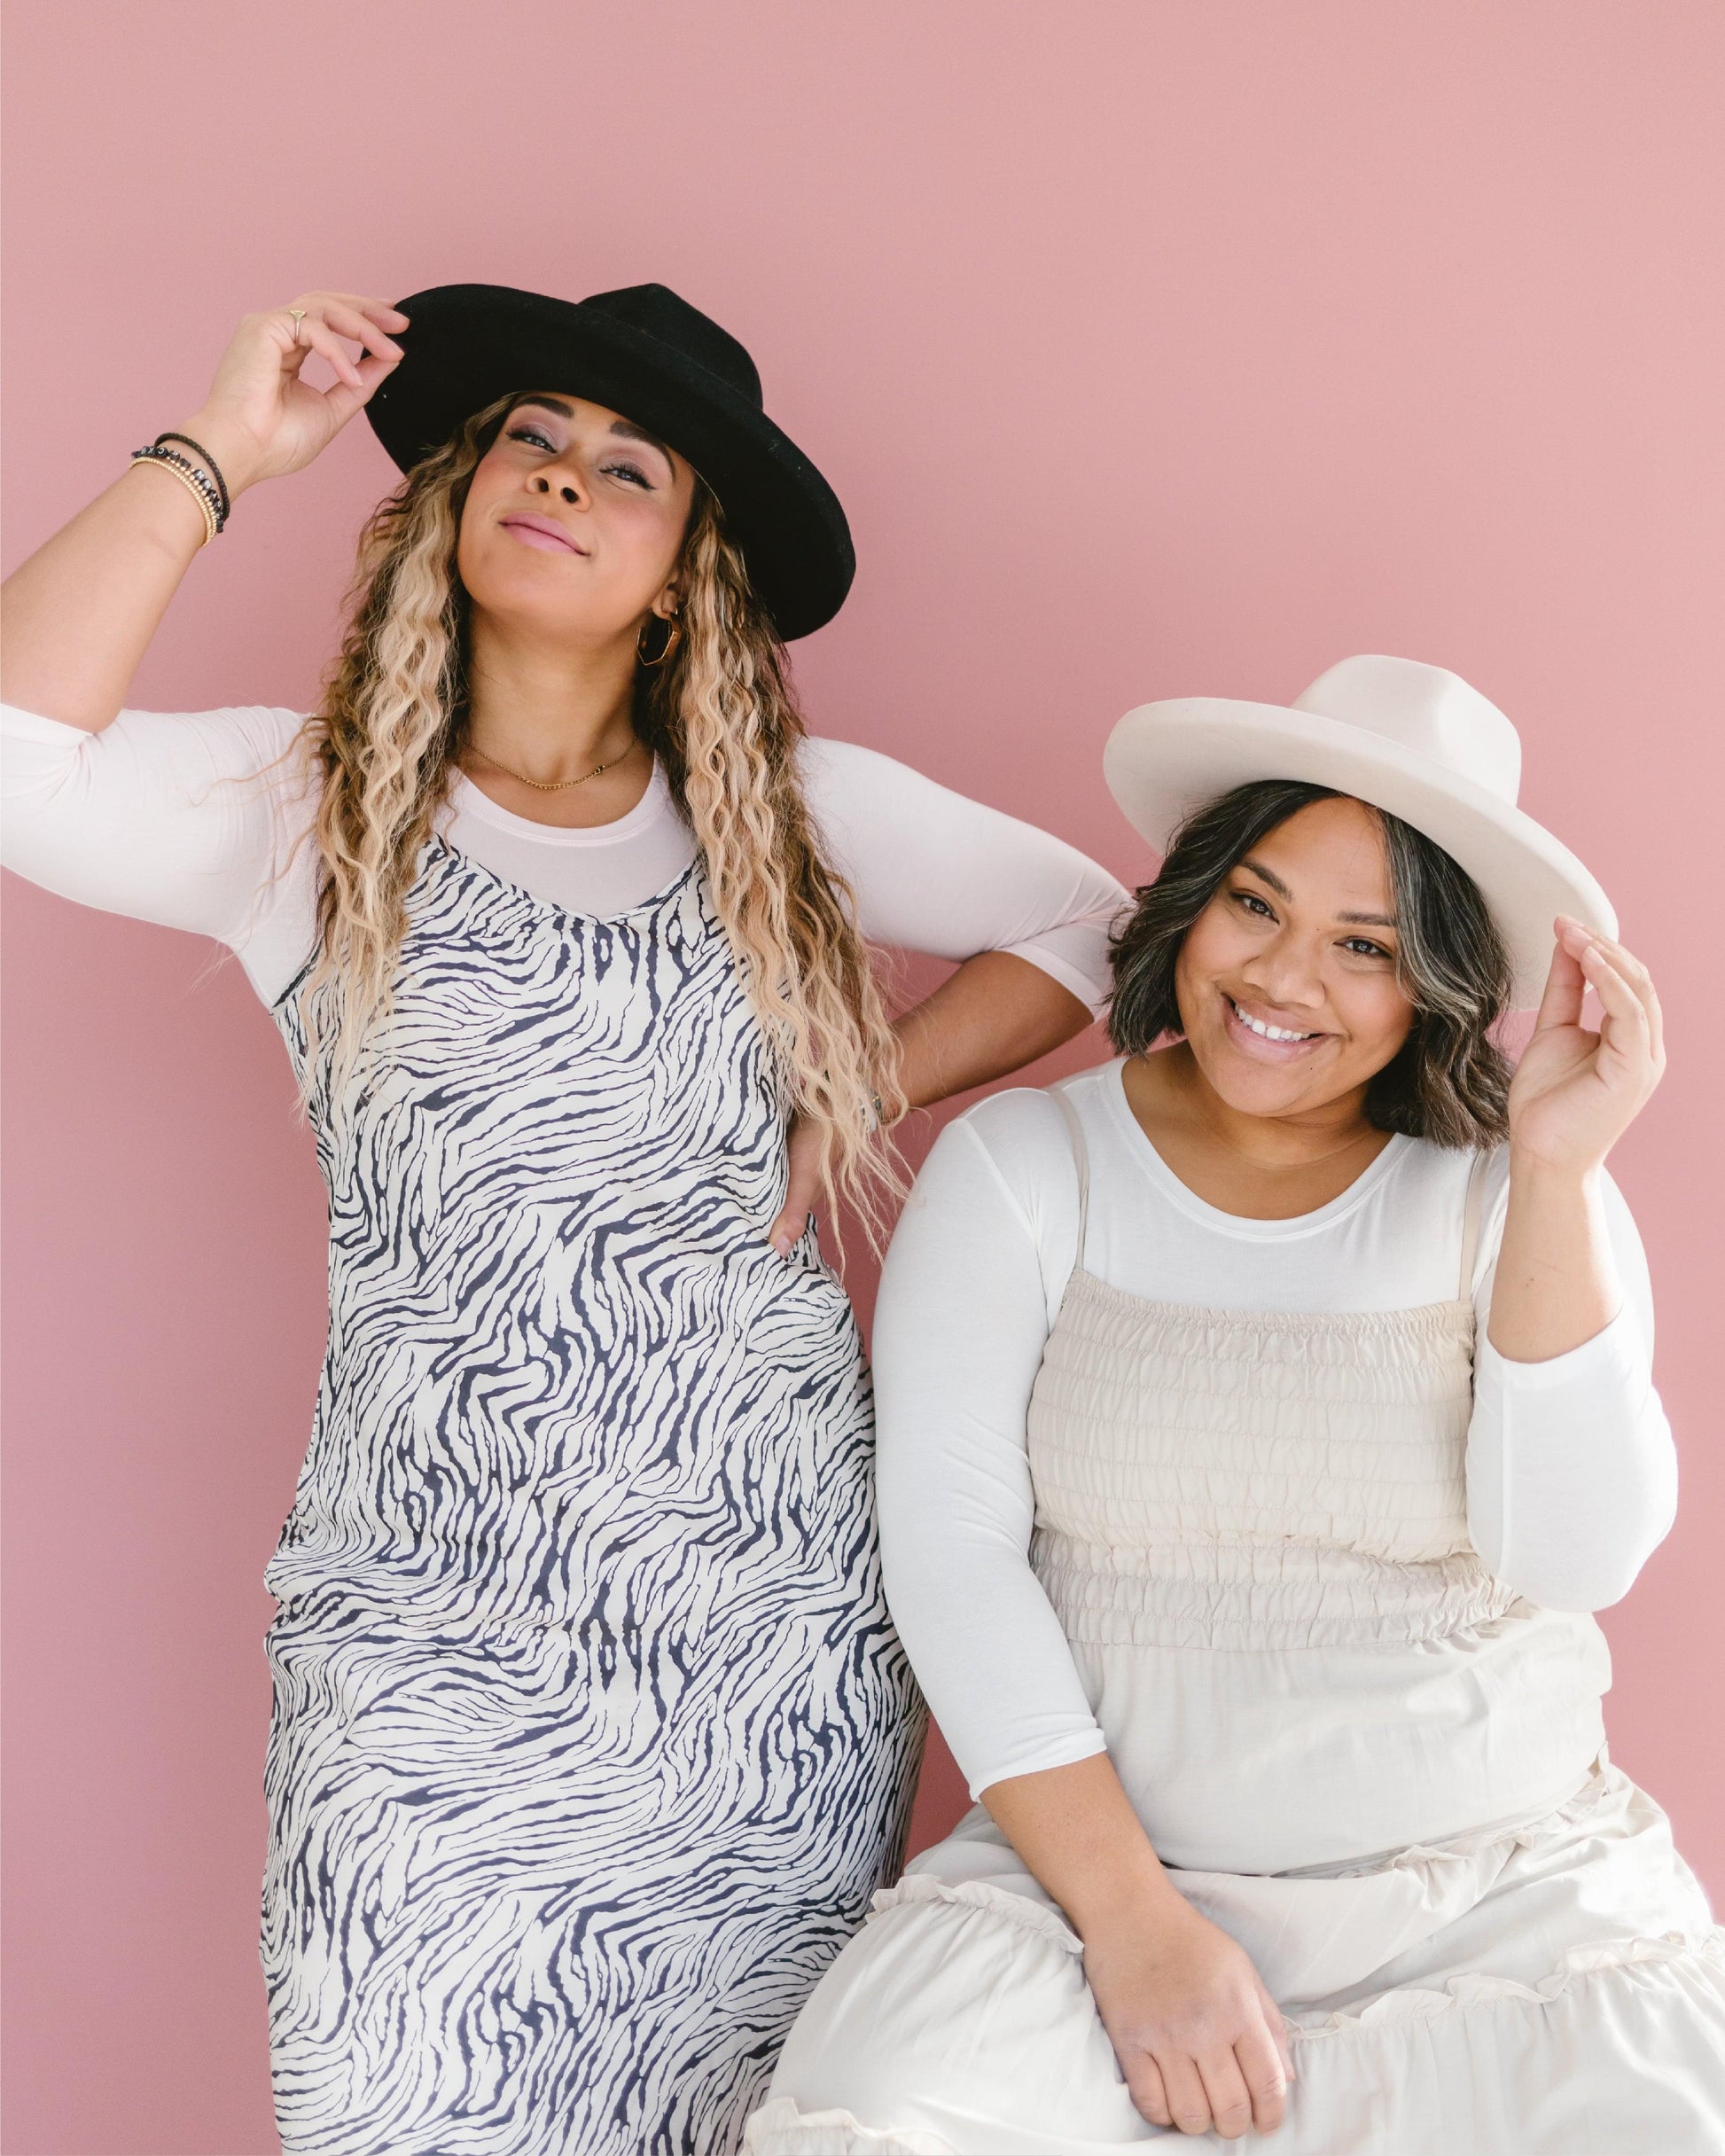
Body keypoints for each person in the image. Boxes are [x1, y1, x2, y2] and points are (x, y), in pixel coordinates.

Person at [0, 282, 1128, 2156]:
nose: (561, 478)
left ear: (686, 573)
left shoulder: (785, 811)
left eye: (627, 470)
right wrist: (223, 450)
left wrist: (870, 1081)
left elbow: (1096, 924)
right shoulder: (305, 809)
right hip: (427, 1626)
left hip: (754, 1630)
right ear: (456, 486)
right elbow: (14, 764)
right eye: (529, 437)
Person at [747, 655, 1725, 2154]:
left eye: (1365, 946)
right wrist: (1137, 1932)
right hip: (1103, 1889)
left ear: (1441, 990)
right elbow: (950, 1563)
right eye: (1255, 905)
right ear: (1192, 898)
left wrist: (1551, 1174)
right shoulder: (1026, 1169)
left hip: (1497, 1898)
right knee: (879, 2119)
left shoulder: (1520, 1198)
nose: (1279, 979)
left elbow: (1575, 1562)